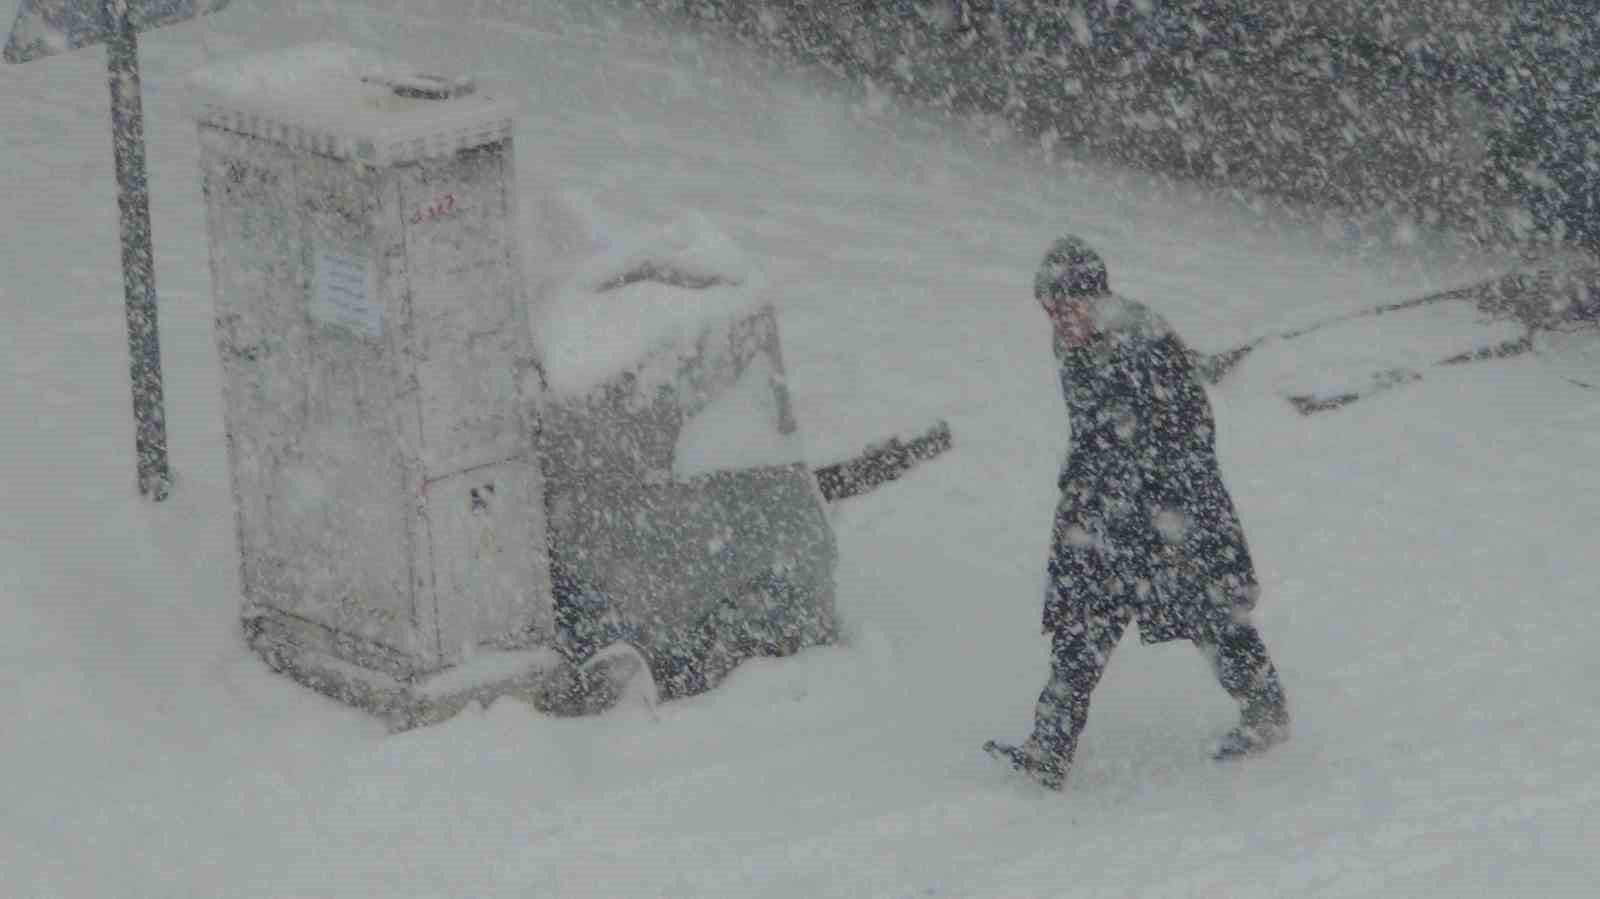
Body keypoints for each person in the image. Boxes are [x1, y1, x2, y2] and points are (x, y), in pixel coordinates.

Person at [985, 236, 1290, 790]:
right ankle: (1048, 749)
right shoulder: (1071, 344)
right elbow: (1092, 431)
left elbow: (1191, 433)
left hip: (1171, 510)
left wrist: (1159, 503)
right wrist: (1086, 493)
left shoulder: (1144, 341)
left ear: (1094, 296)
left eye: (1065, 307)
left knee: (1211, 612)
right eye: (1049, 310)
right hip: (1103, 513)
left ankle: (1266, 714)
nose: (1057, 320)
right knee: (1079, 630)